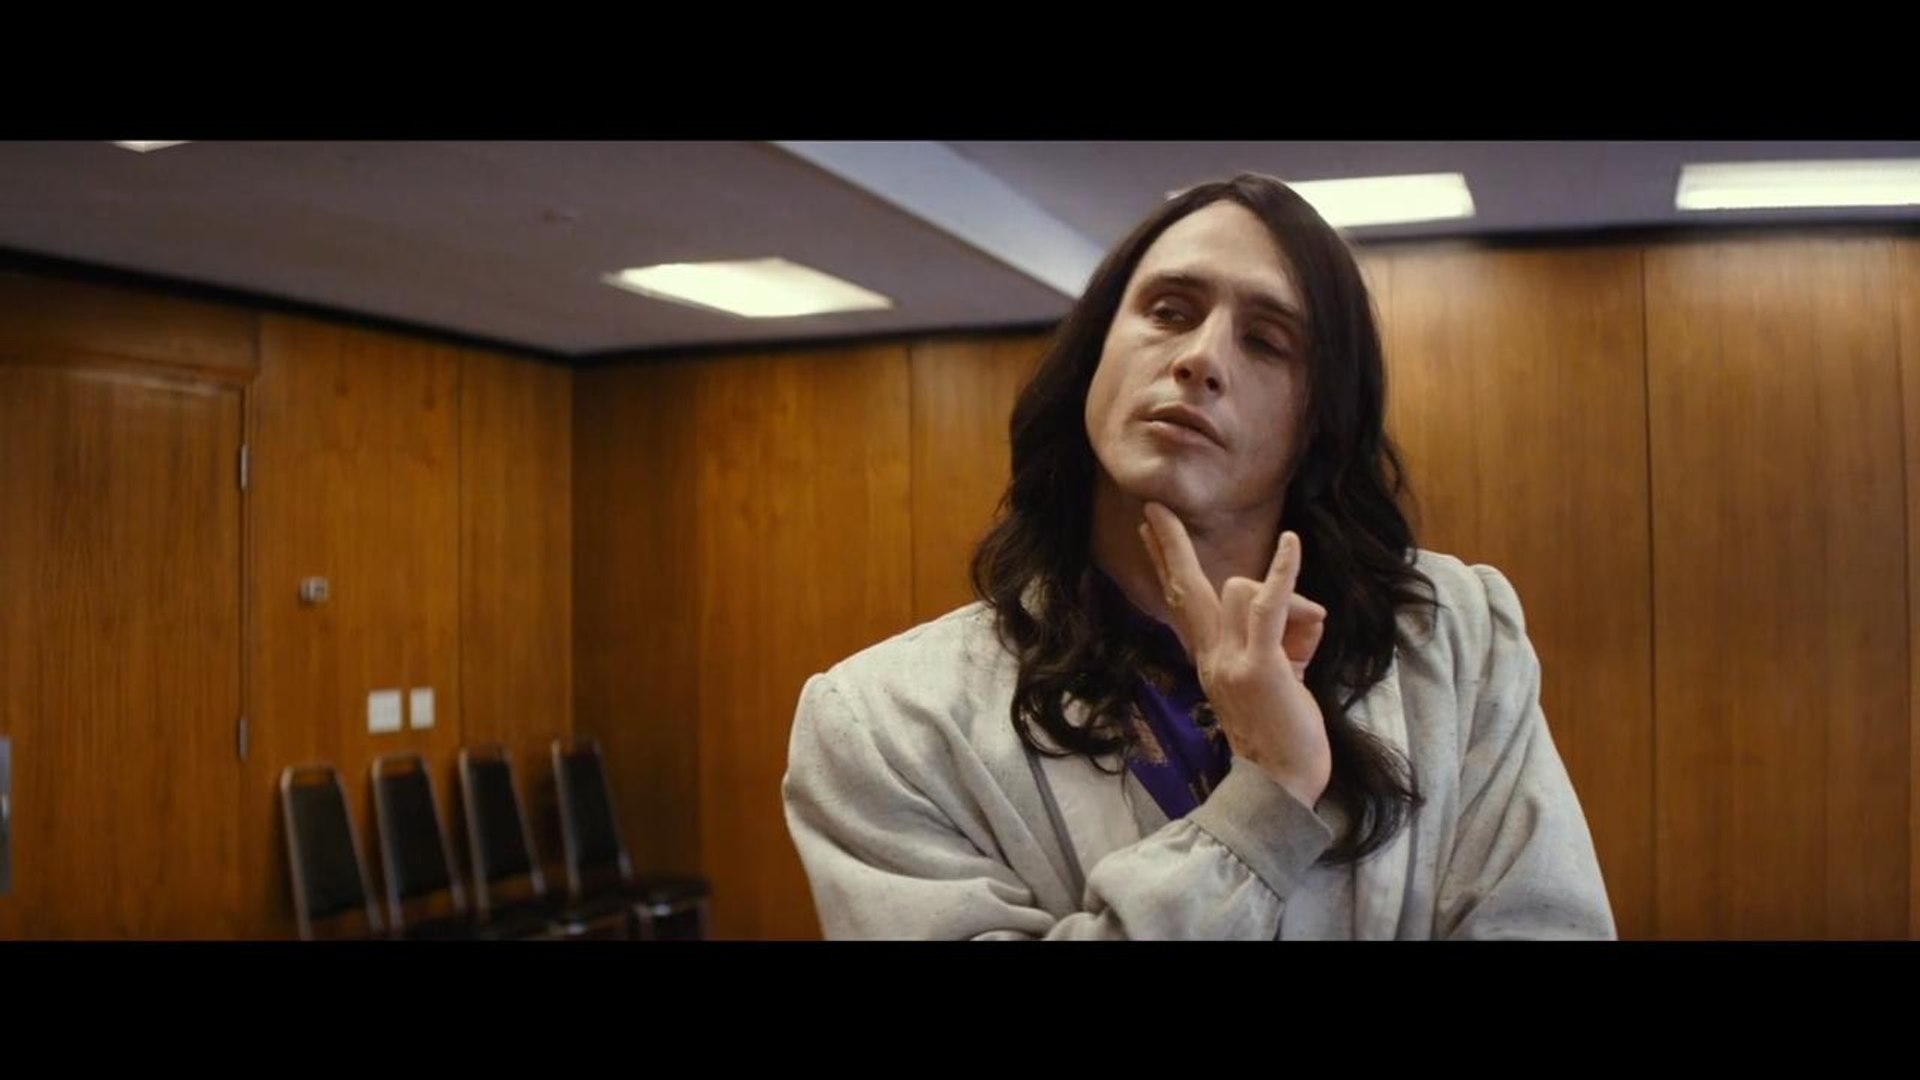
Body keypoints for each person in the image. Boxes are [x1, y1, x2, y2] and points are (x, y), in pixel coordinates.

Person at [781, 172, 1615, 940]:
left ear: (1319, 420)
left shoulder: (1455, 637)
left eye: (1267, 341)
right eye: (1170, 312)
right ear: (1095, 354)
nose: (1202, 359)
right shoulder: (886, 723)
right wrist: (1266, 803)